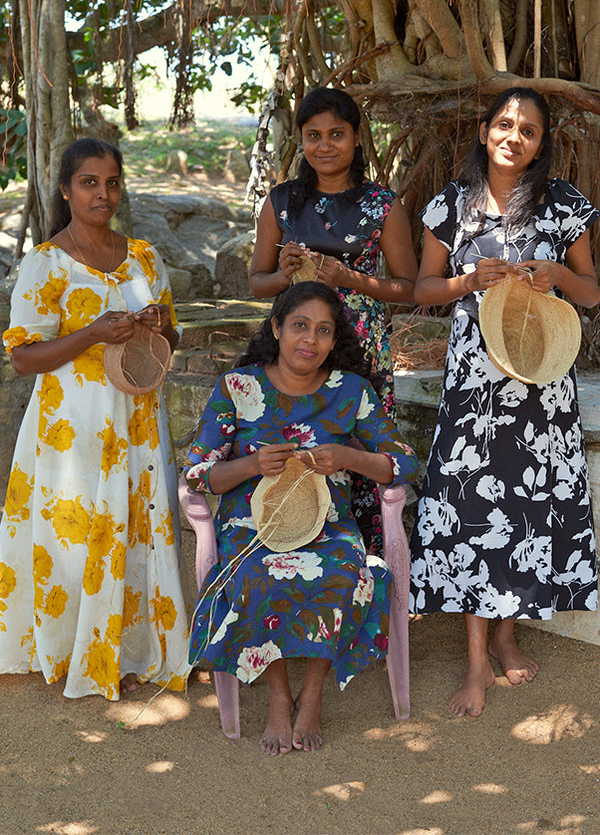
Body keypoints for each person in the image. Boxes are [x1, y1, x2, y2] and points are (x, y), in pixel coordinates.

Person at [409, 87, 600, 717]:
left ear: (543, 144)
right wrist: (468, 280)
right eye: (505, 124)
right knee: (467, 511)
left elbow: (591, 293)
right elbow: (425, 289)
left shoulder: (564, 204)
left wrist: (558, 276)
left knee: (528, 508)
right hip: (474, 382)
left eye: (530, 130)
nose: (514, 136)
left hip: (542, 381)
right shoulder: (450, 205)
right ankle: (473, 663)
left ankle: (507, 634)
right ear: (485, 129)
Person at [185, 281, 418, 754]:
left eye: (323, 330)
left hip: (326, 526)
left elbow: (404, 460)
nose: (309, 339)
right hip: (252, 528)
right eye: (299, 326)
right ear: (276, 327)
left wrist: (346, 458)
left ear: (335, 341)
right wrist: (250, 464)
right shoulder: (239, 386)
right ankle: (279, 694)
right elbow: (197, 473)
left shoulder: (350, 391)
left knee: (344, 574)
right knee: (258, 576)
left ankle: (311, 694)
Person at [0, 138, 191, 700]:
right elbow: (22, 358)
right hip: (71, 429)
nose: (102, 194)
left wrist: (157, 323)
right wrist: (90, 333)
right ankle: (71, 650)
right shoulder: (45, 262)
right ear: (65, 190)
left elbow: (172, 337)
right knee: (76, 534)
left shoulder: (145, 258)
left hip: (136, 417)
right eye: (88, 183)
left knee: (134, 526)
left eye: (111, 183)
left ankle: (131, 650)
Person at [249, 86, 418, 554]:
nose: (325, 145)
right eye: (313, 135)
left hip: (360, 340)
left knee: (355, 441)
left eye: (337, 134)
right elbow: (256, 282)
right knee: (296, 436)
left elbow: (408, 288)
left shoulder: (382, 204)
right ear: (301, 141)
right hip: (297, 341)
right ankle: (289, 536)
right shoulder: (281, 202)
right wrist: (281, 274)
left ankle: (360, 562)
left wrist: (352, 278)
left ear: (357, 139)